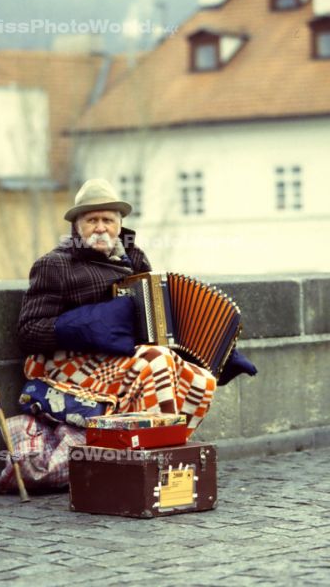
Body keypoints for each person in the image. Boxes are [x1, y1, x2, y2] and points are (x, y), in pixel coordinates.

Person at [17, 178, 221, 439]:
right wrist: (89, 325)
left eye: (108, 220)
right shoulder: (55, 264)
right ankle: (158, 450)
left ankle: (169, 443)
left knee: (201, 379)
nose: (100, 228)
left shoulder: (135, 258)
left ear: (119, 224)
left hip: (122, 355)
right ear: (77, 225)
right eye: (92, 220)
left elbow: (158, 311)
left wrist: (212, 345)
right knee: (156, 361)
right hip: (66, 360)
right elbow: (28, 332)